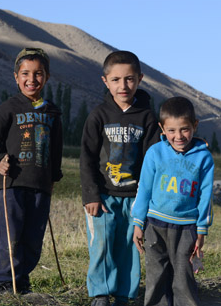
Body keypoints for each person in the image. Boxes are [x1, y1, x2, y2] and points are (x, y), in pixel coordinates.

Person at [0, 47, 63, 294]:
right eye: (25, 73)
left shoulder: (52, 112)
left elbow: (56, 147)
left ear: (46, 77)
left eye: (38, 74)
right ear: (16, 77)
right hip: (11, 182)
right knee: (10, 235)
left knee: (33, 237)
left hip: (40, 184)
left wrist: (54, 176)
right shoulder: (9, 107)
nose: (31, 79)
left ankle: (22, 278)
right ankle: (6, 281)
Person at [80, 50, 160, 306]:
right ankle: (100, 294)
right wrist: (91, 195)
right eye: (116, 80)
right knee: (101, 245)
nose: (123, 85)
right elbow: (87, 158)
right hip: (103, 196)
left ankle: (125, 295)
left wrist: (147, 199)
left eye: (129, 79)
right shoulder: (99, 116)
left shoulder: (148, 117)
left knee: (131, 246)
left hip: (135, 197)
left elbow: (152, 161)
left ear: (140, 79)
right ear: (105, 81)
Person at [131, 96, 215, 306]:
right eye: (171, 131)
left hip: (186, 228)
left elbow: (206, 195)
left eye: (184, 129)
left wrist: (202, 230)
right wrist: (138, 223)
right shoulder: (155, 153)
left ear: (195, 126)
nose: (178, 136)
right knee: (156, 276)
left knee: (183, 278)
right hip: (155, 225)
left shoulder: (204, 158)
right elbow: (144, 189)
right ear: (162, 128)